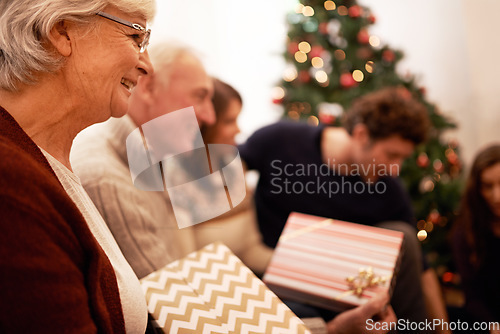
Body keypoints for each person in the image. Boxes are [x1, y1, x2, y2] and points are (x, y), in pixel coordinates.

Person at [0, 0, 155, 332]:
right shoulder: (10, 184)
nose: (147, 66)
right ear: (61, 30)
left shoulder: (46, 162)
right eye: (136, 38)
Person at [238, 87, 439, 325]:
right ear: (362, 134)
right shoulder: (281, 140)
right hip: (275, 279)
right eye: (391, 154)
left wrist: (443, 329)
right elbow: (228, 165)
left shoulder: (389, 189)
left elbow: (421, 268)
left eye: (402, 158)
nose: (395, 168)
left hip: (343, 288)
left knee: (404, 235)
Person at [71, 43, 216, 280]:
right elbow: (169, 301)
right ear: (149, 88)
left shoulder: (155, 158)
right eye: (199, 97)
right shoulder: (106, 179)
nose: (210, 116)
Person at [193, 78, 274, 276]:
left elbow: (251, 249)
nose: (239, 130)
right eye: (229, 121)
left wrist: (294, 269)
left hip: (246, 281)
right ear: (205, 123)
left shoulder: (234, 166)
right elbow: (188, 267)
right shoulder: (176, 181)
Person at [453, 144, 500, 332]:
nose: (497, 196)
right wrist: (493, 326)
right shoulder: (465, 234)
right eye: (488, 187)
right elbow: (473, 299)